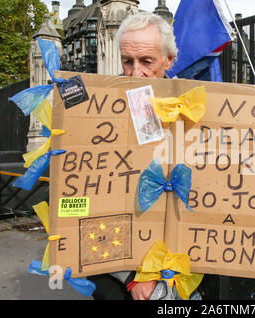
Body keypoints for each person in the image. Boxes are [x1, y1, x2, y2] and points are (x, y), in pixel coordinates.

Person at [87, 11, 177, 301]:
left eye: (147, 61)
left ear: (169, 60)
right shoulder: (94, 114)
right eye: (128, 61)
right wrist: (130, 277)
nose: (136, 72)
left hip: (182, 269)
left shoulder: (196, 110)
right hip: (117, 270)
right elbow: (87, 202)